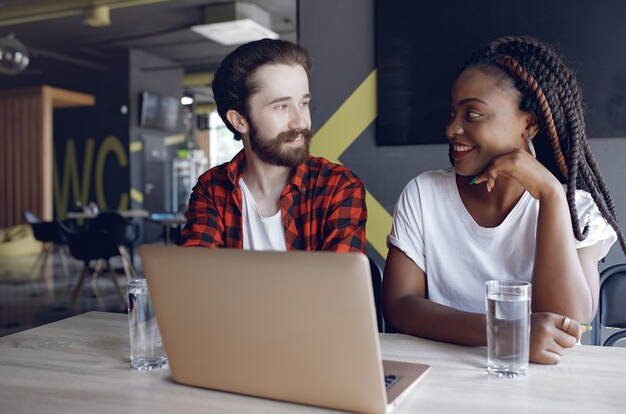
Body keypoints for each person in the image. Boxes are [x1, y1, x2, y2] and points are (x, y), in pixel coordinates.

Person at [382, 36, 626, 365]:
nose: (452, 128)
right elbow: (401, 306)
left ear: (530, 124)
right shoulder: (424, 195)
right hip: (441, 379)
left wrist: (551, 195)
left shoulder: (577, 209)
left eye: (473, 114)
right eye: (453, 113)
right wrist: (505, 332)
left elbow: (567, 321)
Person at [180, 39, 367, 252]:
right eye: (281, 106)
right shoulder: (212, 189)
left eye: (304, 103)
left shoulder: (338, 187)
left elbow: (340, 283)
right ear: (239, 121)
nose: (301, 122)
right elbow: (198, 278)